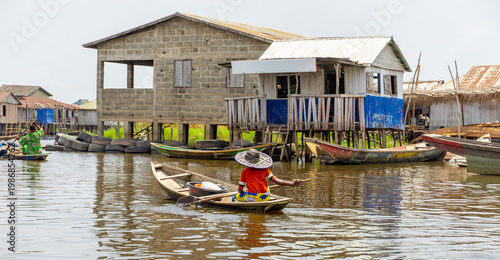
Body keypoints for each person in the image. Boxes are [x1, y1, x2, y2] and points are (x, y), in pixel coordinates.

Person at [232, 149, 302, 202]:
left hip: (253, 198)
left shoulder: (244, 172)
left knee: (235, 197)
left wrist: (244, 191)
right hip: (265, 197)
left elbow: (240, 190)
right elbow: (277, 181)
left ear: (246, 160)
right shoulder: (265, 170)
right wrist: (292, 183)